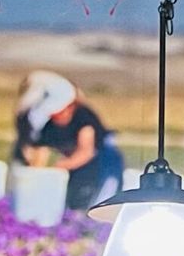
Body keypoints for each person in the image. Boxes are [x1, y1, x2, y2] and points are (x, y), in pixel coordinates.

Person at [14, 71, 124, 211]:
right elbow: (40, 149)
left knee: (98, 205)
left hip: (101, 164)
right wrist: (38, 173)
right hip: (72, 167)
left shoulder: (83, 117)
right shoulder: (48, 124)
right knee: (71, 203)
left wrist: (58, 167)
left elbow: (86, 151)